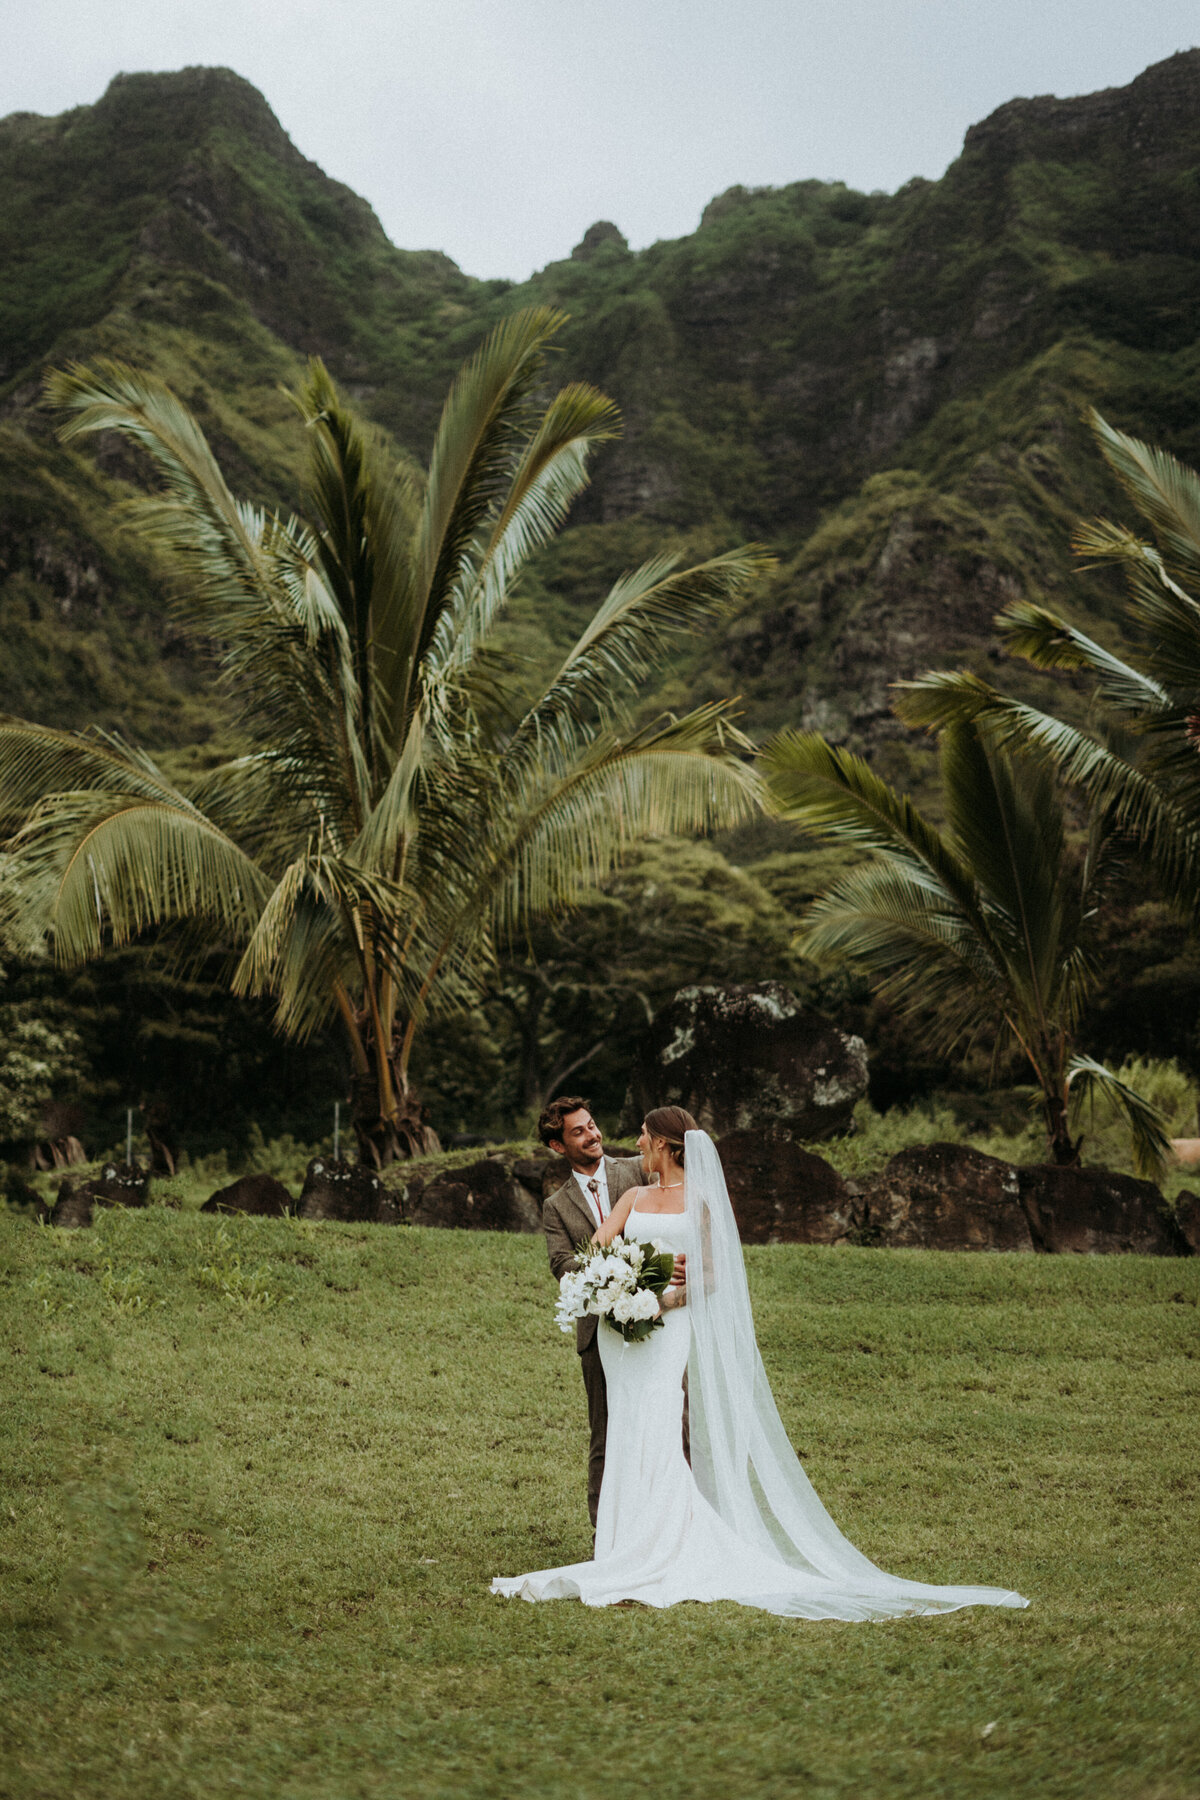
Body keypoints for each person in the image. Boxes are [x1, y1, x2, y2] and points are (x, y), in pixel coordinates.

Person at [494, 1107, 1030, 1620]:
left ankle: (667, 1546)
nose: (630, 1142)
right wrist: (627, 1285)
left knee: (660, 1428)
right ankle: (619, 1548)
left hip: (669, 1330)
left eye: (642, 1135)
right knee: (626, 1431)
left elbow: (714, 1271)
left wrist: (669, 1299)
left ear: (661, 1144)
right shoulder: (631, 1194)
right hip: (620, 1338)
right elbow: (592, 1257)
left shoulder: (701, 1199)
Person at [538, 1096, 686, 1529]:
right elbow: (563, 1266)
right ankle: (607, 1535)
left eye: (592, 1124)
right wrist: (619, 1277)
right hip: (600, 1329)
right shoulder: (557, 1206)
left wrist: (659, 1286)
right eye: (578, 1131)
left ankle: (677, 1525)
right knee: (606, 1435)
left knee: (674, 1421)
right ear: (557, 1146)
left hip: (665, 1323)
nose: (593, 1134)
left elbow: (675, 1206)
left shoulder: (638, 1170)